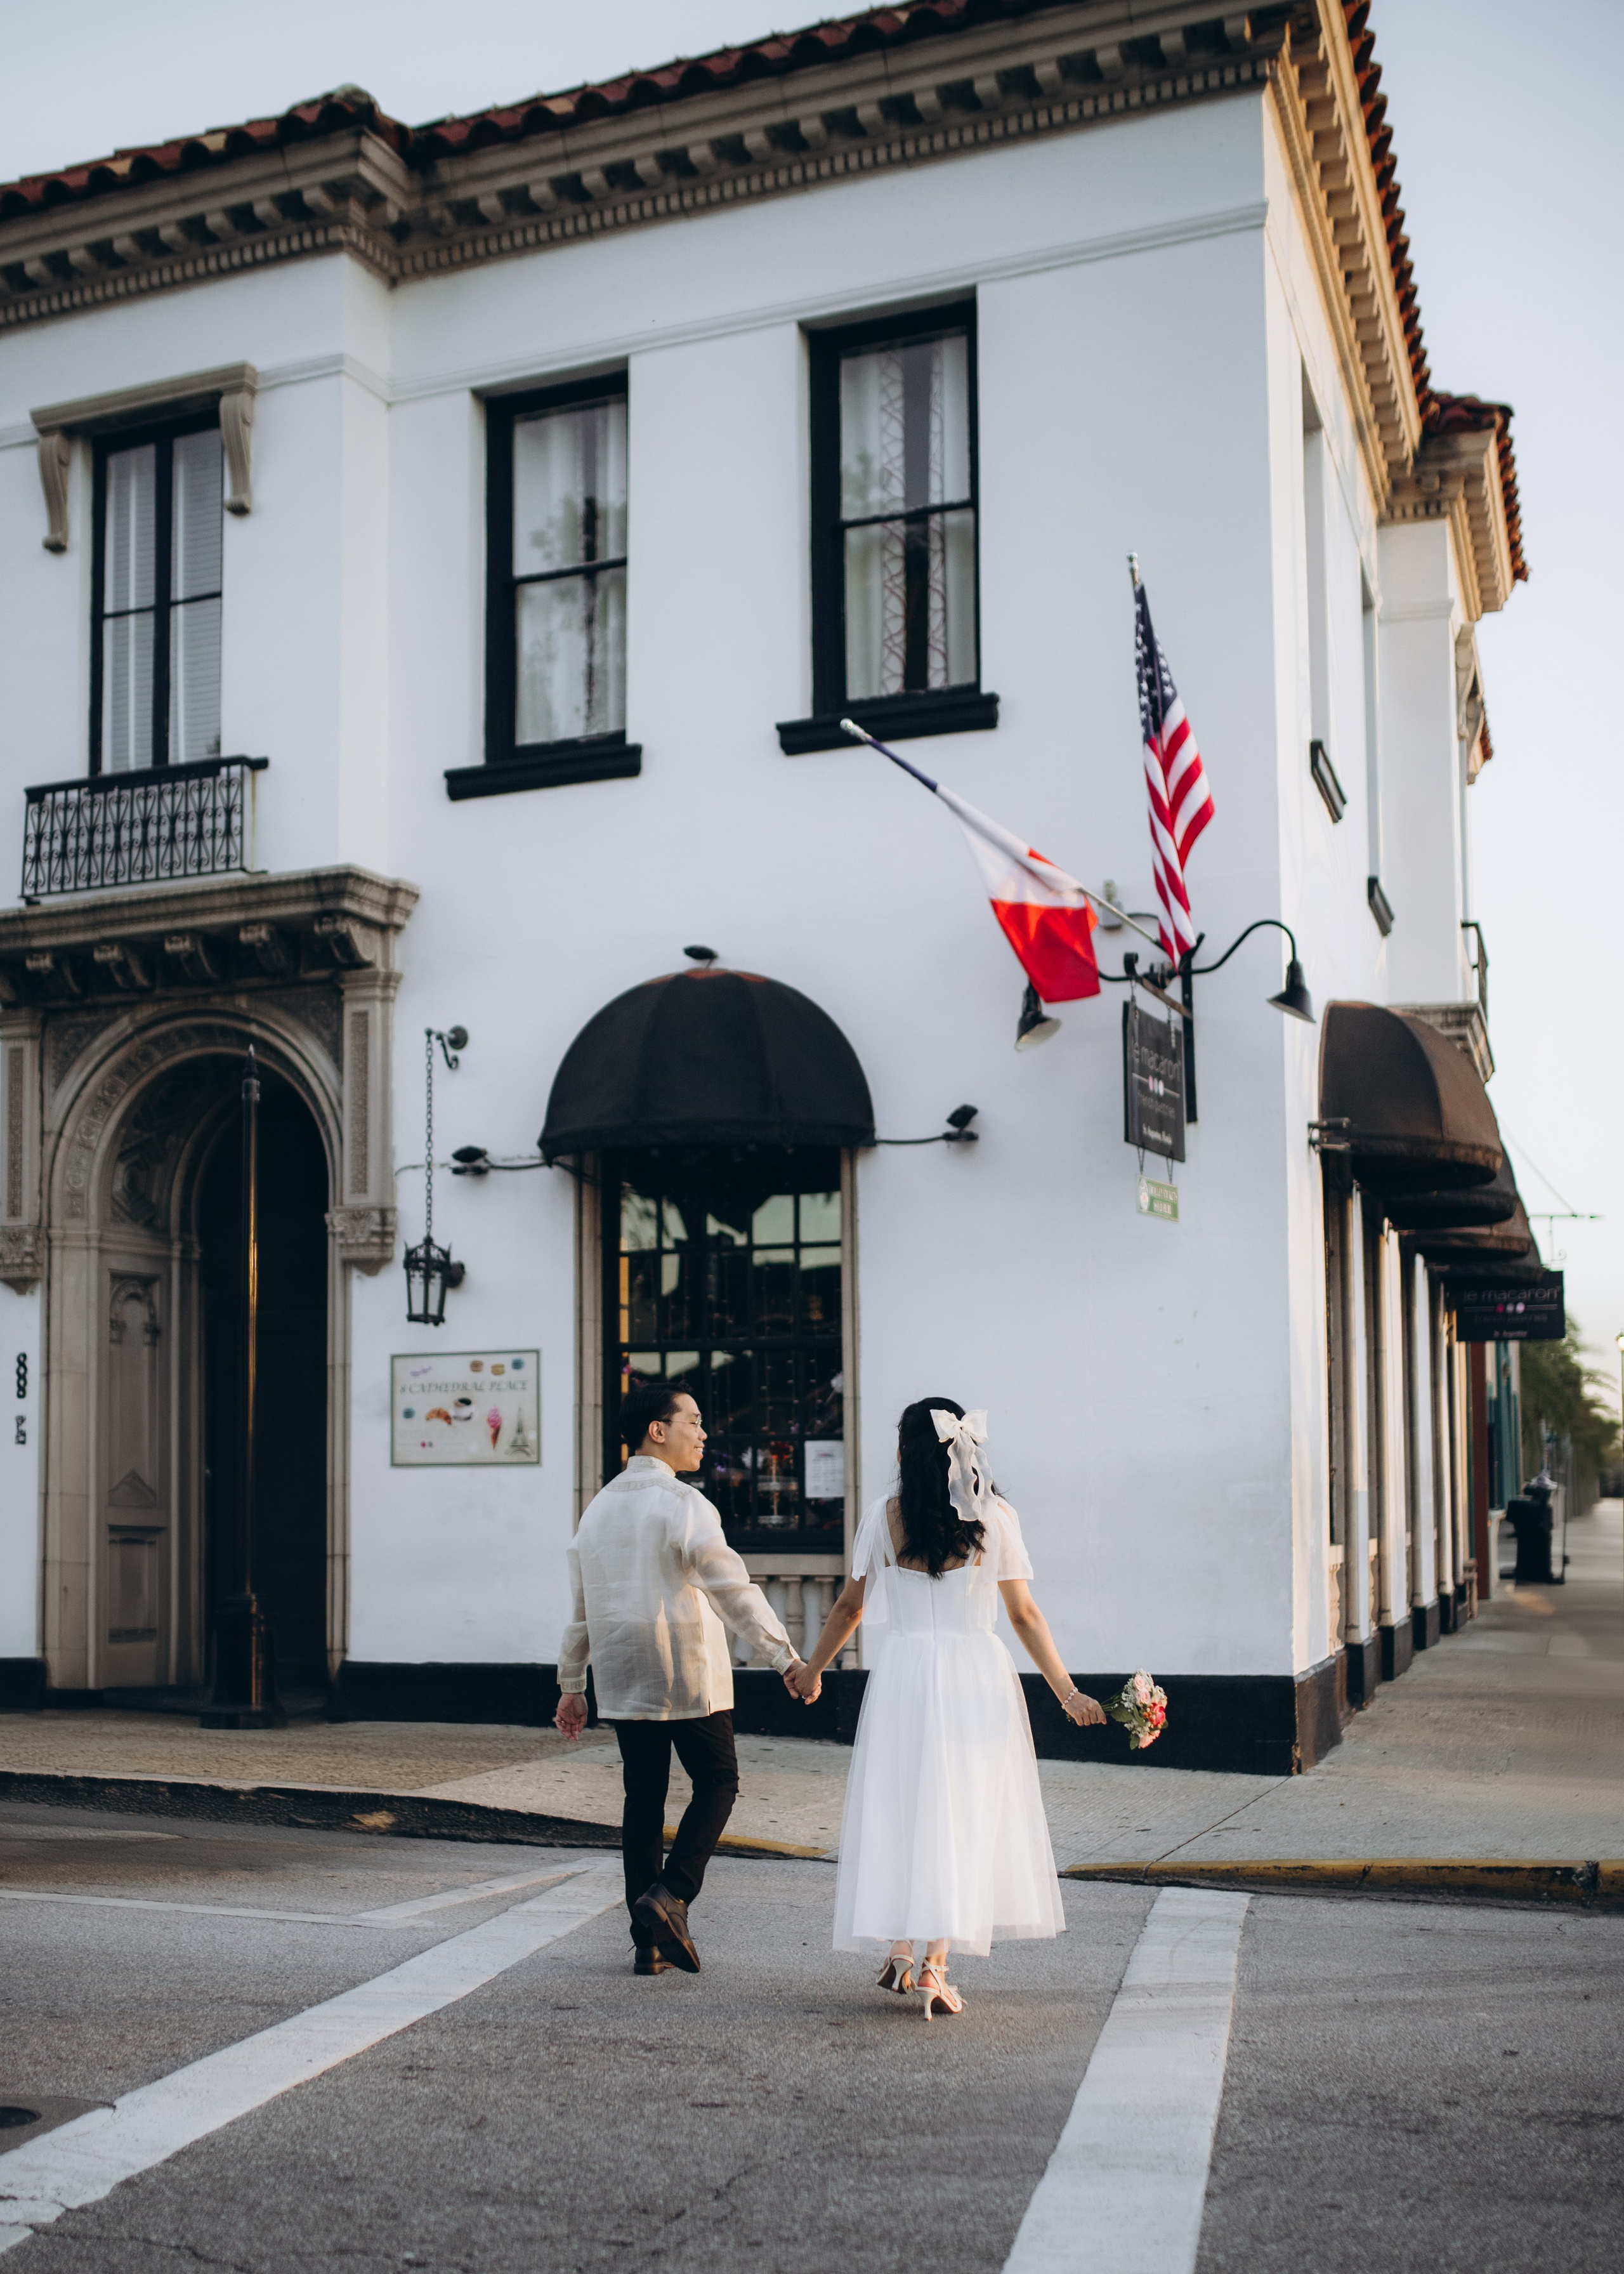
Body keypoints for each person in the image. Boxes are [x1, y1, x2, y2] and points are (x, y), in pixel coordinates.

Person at [789, 1398, 1104, 2018]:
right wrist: (1067, 1693)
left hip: (904, 1674)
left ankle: (900, 1947)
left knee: (904, 1806)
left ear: (906, 1453)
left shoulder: (883, 1517)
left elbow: (850, 1606)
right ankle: (935, 1963)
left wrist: (812, 1669)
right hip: (974, 1678)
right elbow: (1023, 1615)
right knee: (961, 1811)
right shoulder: (995, 1519)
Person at [555, 1382, 808, 1976]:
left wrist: (572, 1684)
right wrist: (785, 1658)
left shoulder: (597, 1510)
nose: (703, 1433)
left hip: (623, 1671)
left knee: (643, 1799)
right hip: (684, 1666)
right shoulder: (683, 1503)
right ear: (657, 1431)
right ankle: (671, 1894)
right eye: (692, 1421)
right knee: (719, 1781)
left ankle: (648, 1943)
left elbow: (582, 1607)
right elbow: (732, 1590)